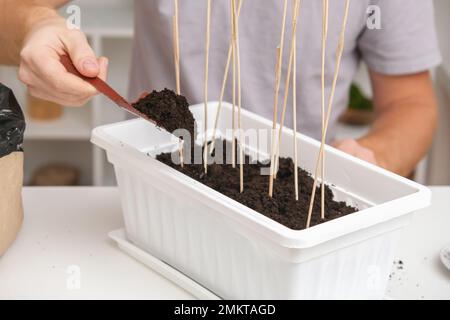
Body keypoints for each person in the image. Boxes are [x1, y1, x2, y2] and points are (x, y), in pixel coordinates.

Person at [0, 0, 440, 178]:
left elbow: (410, 102)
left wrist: (373, 156)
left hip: (300, 190)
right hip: (155, 183)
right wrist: (36, 24)